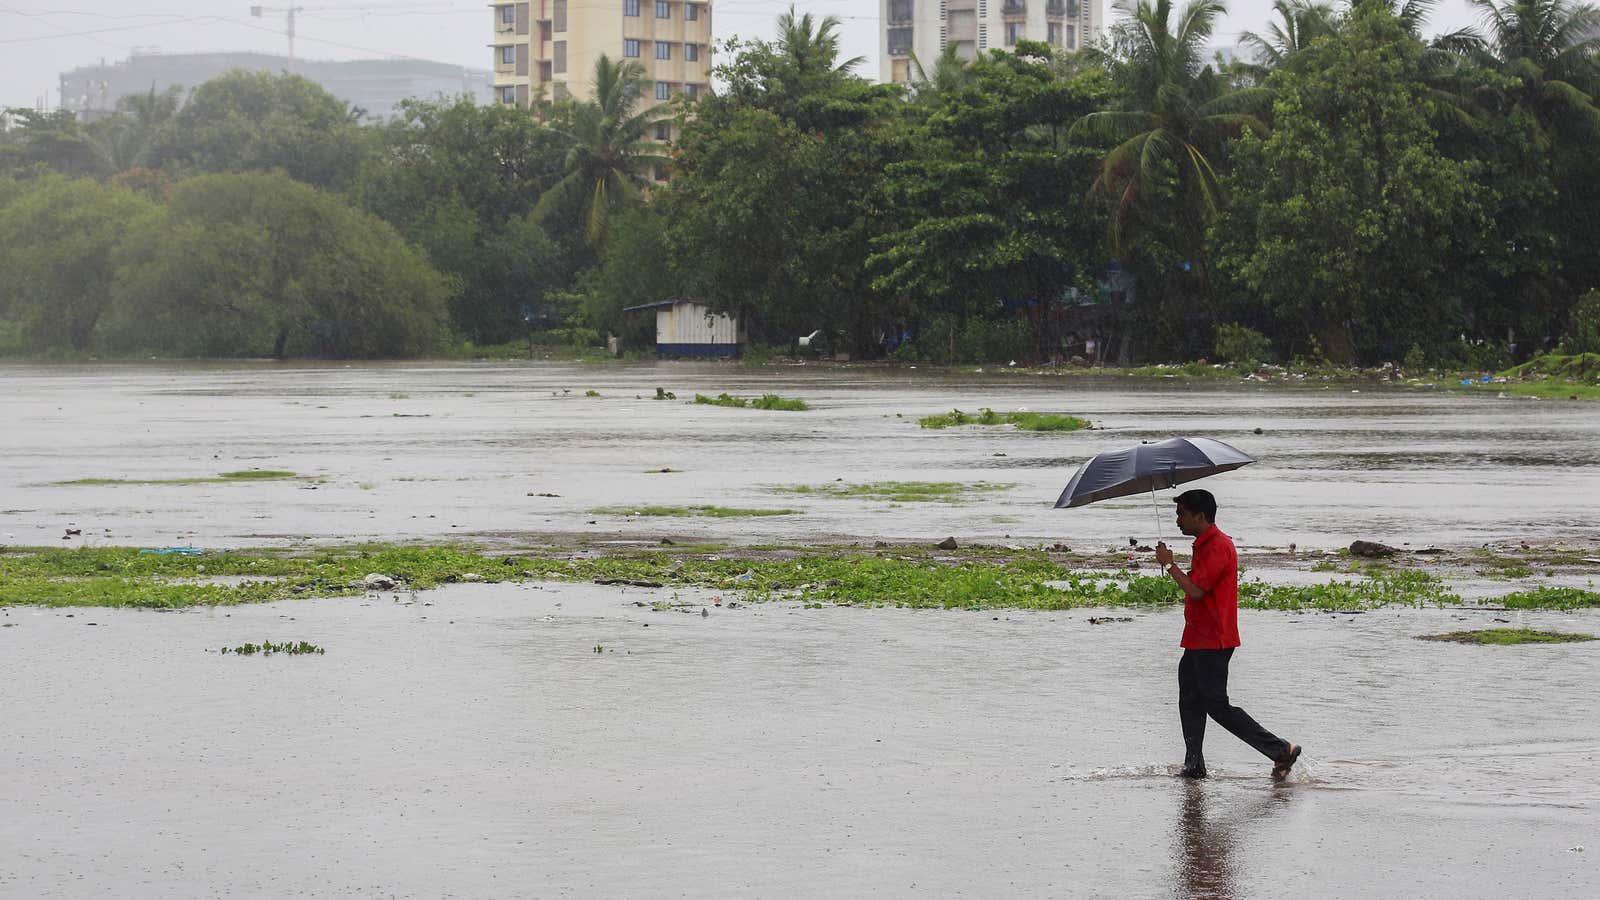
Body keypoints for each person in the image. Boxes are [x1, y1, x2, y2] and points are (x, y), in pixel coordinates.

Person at [1154, 489, 1301, 780]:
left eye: (1181, 514)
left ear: (1200, 515)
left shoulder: (1218, 546)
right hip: (1197, 638)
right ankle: (1194, 766)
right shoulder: (1203, 544)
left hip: (1214, 640)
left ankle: (1281, 750)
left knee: (1217, 706)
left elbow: (1196, 590)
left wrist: (1169, 564)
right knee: (1190, 701)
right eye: (1176, 514)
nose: (1177, 521)